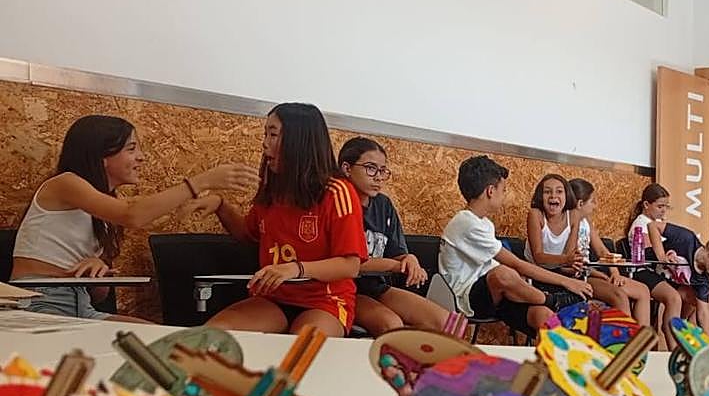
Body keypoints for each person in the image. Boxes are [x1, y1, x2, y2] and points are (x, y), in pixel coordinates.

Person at [11, 114, 257, 322]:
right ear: (102, 156)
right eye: (131, 149)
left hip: (82, 305)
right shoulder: (66, 183)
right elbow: (133, 215)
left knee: (167, 344)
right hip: (40, 300)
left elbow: (99, 295)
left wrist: (99, 272)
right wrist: (202, 181)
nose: (142, 157)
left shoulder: (104, 208)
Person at [200, 103, 366, 337]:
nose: (265, 142)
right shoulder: (273, 189)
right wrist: (220, 205)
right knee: (212, 335)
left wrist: (295, 269)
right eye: (265, 134)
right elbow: (248, 234)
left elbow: (350, 265)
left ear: (298, 141)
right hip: (273, 298)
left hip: (324, 301)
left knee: (297, 351)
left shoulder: (337, 192)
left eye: (273, 134)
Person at [440, 156, 592, 337]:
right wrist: (566, 282)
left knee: (543, 316)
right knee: (503, 273)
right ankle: (553, 299)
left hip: (497, 295)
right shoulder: (466, 222)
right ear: (490, 191)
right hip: (466, 298)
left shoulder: (484, 223)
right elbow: (516, 264)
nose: (503, 195)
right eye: (503, 190)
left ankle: (551, 360)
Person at [335, 137, 453, 336]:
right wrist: (396, 266)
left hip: (377, 287)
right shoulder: (337, 203)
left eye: (383, 171)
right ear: (347, 169)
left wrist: (410, 260)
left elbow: (398, 253)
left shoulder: (384, 205)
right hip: (346, 289)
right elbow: (348, 264)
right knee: (392, 325)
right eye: (371, 168)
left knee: (449, 324)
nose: (379, 177)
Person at [567, 177, 655, 340]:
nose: (595, 206)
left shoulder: (587, 222)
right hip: (581, 275)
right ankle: (623, 345)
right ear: (580, 204)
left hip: (592, 272)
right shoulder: (566, 222)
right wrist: (597, 274)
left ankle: (642, 344)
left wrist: (615, 273)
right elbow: (570, 261)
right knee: (619, 295)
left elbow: (601, 250)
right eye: (592, 202)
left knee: (642, 290)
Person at [659, 223, 709, 335]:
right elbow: (653, 226)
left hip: (669, 283)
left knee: (702, 296)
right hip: (648, 269)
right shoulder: (687, 238)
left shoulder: (704, 279)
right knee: (674, 298)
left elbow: (703, 313)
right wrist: (661, 256)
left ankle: (685, 328)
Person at [626, 183, 682, 345]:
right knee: (673, 298)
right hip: (642, 271)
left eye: (666, 206)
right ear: (646, 205)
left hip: (658, 270)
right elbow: (651, 253)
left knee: (691, 292)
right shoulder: (641, 224)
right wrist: (666, 254)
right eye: (660, 206)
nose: (663, 210)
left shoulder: (657, 223)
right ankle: (671, 340)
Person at [523, 173, 588, 311]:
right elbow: (539, 257)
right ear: (541, 197)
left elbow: (567, 263)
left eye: (559, 191)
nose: (553, 196)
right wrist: (567, 260)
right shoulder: (535, 214)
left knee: (587, 297)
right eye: (547, 192)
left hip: (560, 273)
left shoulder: (574, 215)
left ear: (567, 196)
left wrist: (576, 267)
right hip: (536, 275)